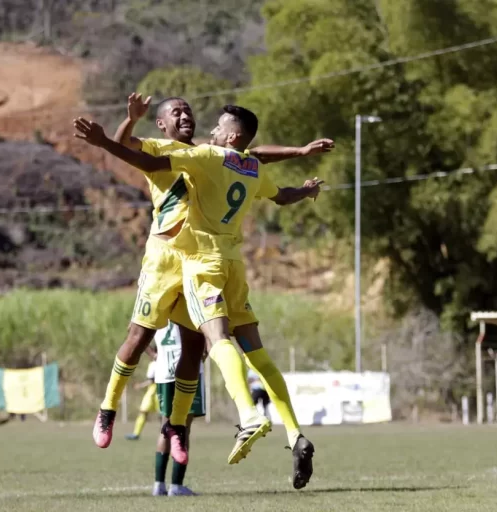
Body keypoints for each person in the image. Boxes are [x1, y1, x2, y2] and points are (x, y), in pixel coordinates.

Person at [74, 104, 322, 489]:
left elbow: (249, 152)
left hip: (198, 261)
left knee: (199, 347)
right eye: (177, 112)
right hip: (171, 257)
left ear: (229, 135)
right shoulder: (193, 153)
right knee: (141, 338)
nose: (190, 117)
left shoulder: (209, 155)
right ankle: (108, 409)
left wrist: (104, 143)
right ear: (162, 123)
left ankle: (178, 425)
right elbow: (141, 152)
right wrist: (301, 164)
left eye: (190, 111)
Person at [152, 322, 205, 497]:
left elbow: (136, 330)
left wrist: (153, 354)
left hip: (163, 371)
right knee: (183, 428)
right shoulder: (187, 303)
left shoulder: (160, 303)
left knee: (165, 428)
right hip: (188, 369)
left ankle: (158, 485)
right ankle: (176, 485)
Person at [126, 347, 159, 440]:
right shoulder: (159, 363)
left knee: (163, 415)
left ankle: (168, 434)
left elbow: (152, 381)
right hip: (155, 390)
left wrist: (140, 385)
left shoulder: (154, 364)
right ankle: (136, 434)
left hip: (156, 390)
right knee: (144, 411)